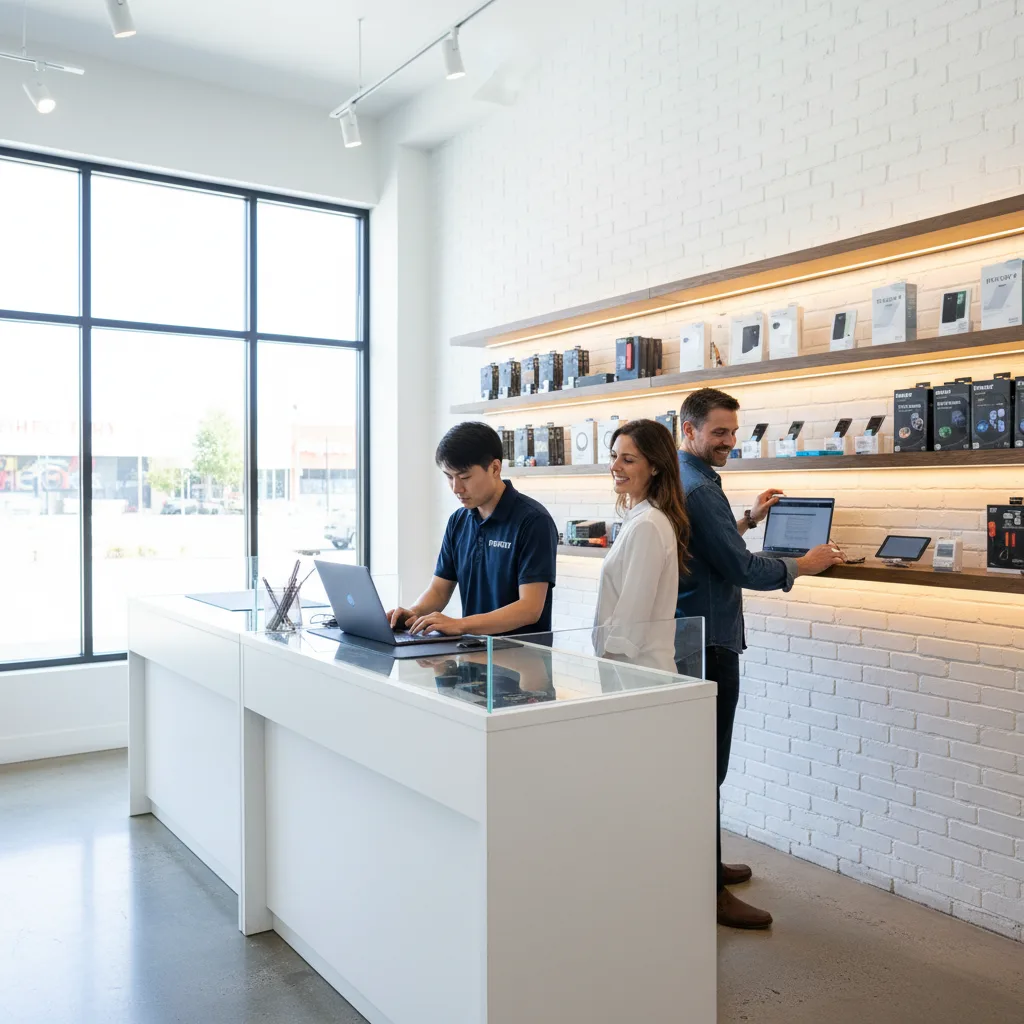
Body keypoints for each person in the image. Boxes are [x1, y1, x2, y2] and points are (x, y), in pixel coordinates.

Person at [677, 387, 844, 930]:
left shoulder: (685, 480)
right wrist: (803, 563)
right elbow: (742, 570)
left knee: (699, 764)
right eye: (718, 432)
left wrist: (748, 519)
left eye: (733, 431)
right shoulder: (700, 488)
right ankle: (705, 889)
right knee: (706, 767)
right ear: (689, 431)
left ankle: (704, 865)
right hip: (710, 641)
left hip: (689, 635)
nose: (729, 441)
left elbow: (709, 550)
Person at [388, 421, 559, 637]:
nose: (456, 488)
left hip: (523, 660)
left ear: (495, 468)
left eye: (465, 477)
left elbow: (529, 609)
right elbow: (439, 590)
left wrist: (460, 624)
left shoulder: (533, 521)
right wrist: (412, 613)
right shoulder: (458, 521)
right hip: (473, 656)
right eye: (449, 477)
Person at [593, 419, 690, 673]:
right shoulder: (639, 517)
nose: (615, 466)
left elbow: (631, 622)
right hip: (629, 669)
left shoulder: (648, 524)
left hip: (636, 671)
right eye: (614, 456)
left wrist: (605, 659)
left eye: (628, 459)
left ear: (655, 466)